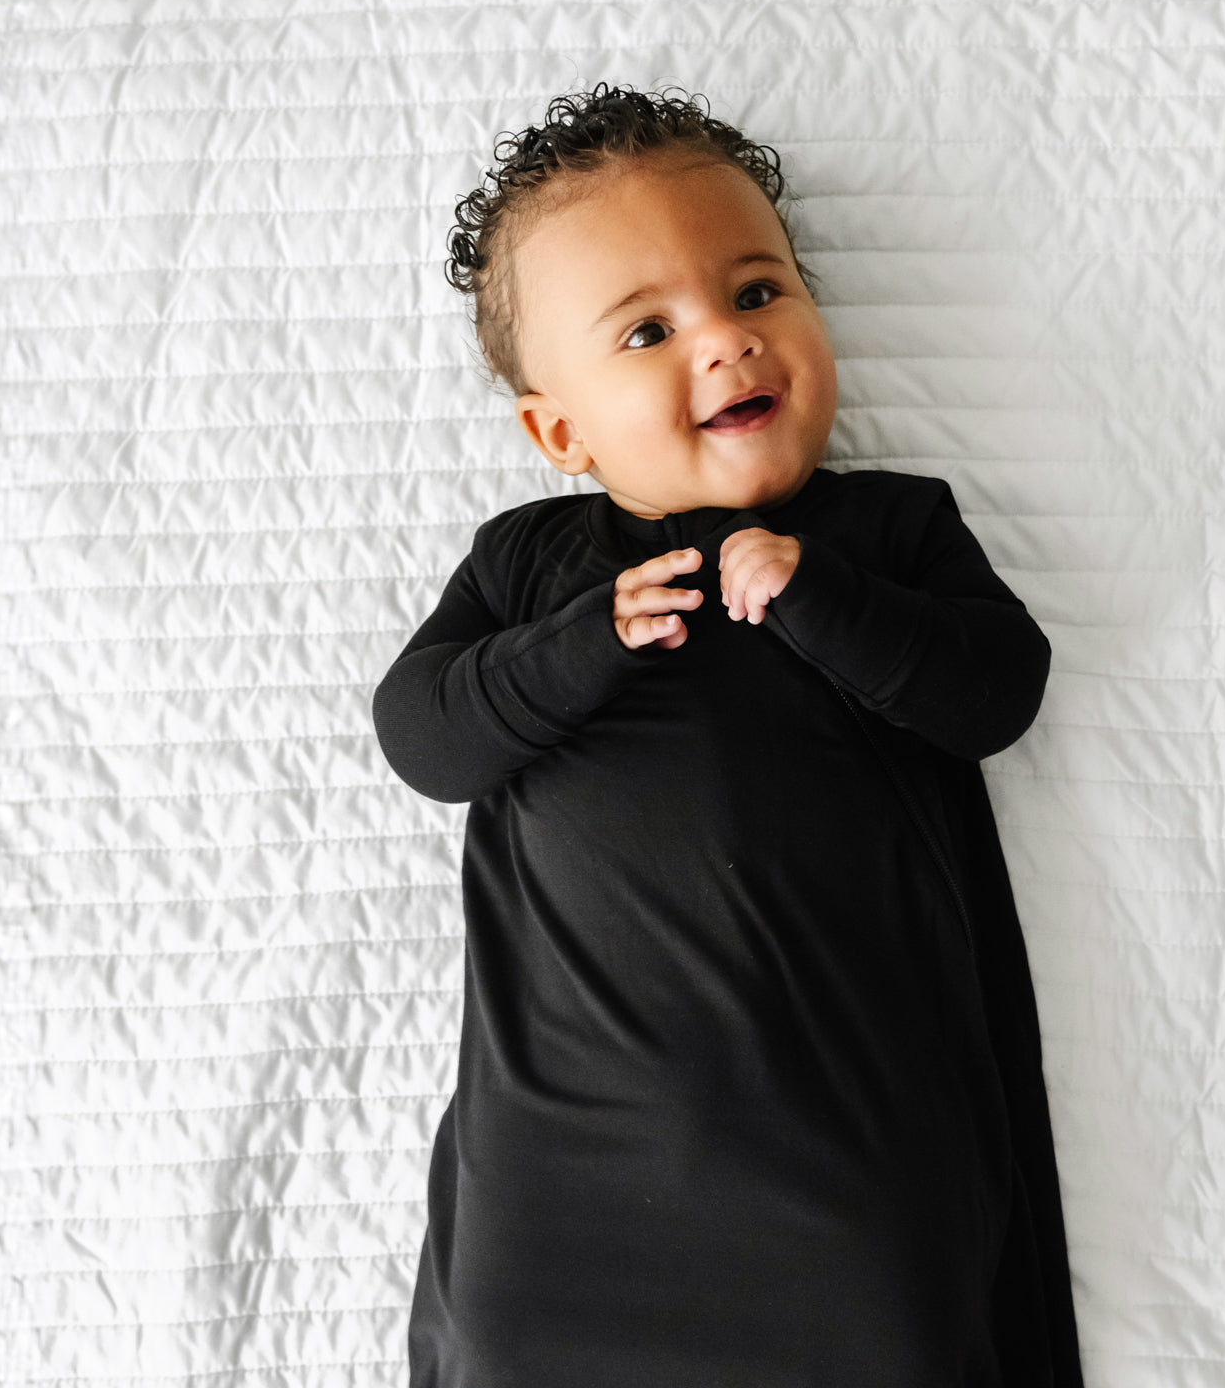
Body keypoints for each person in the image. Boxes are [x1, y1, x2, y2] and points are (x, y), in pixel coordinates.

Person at [372, 82, 1085, 1388]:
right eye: (648, 328)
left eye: (758, 293)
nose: (727, 342)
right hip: (572, 1168)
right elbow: (424, 738)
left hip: (851, 1153)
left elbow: (997, 692)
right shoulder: (534, 568)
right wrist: (576, 643)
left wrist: (827, 601)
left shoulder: (886, 534)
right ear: (558, 430)